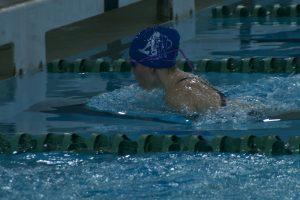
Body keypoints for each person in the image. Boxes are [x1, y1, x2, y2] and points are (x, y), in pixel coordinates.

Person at [129, 26, 226, 114]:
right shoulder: (192, 79)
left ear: (150, 66)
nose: (132, 71)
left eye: (133, 64)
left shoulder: (176, 96)